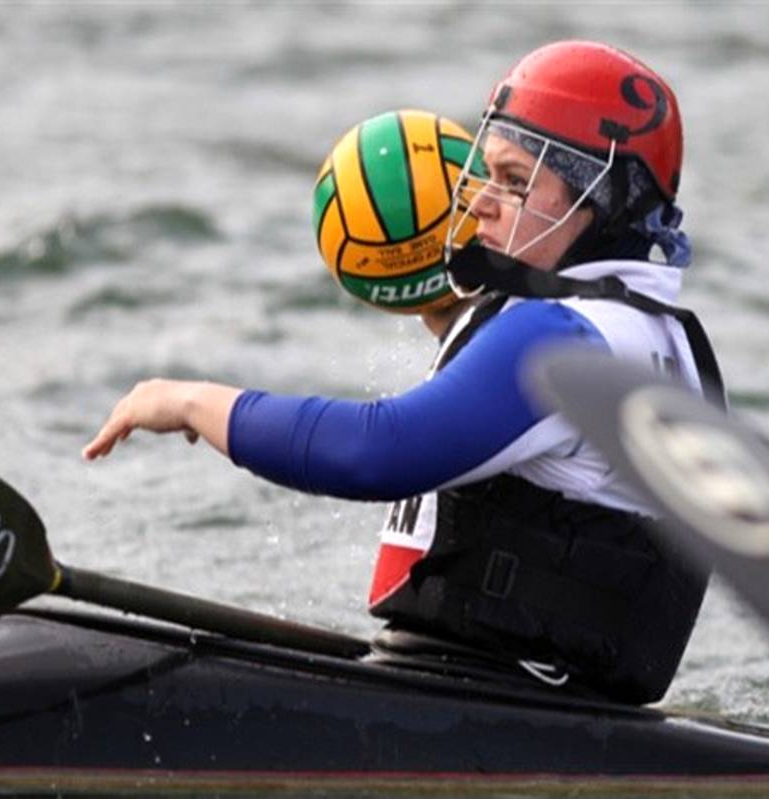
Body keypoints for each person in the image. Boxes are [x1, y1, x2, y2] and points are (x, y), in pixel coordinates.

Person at [83, 40, 724, 705]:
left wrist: (192, 401)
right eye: (487, 174)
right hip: (517, 698)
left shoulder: (561, 340)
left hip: (490, 707)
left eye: (514, 182)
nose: (482, 202)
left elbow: (376, 451)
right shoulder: (648, 333)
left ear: (601, 200)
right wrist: (448, 314)